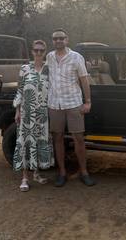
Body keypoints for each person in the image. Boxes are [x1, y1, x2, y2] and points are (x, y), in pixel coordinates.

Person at [47, 28, 96, 187]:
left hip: (74, 103)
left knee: (78, 139)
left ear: (67, 39)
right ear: (53, 41)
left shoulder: (76, 57)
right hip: (54, 104)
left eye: (61, 38)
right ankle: (62, 173)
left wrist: (87, 101)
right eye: (55, 39)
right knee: (58, 138)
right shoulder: (49, 57)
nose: (58, 41)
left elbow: (84, 80)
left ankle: (84, 172)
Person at [12, 40, 53, 191]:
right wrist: (17, 110)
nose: (38, 53)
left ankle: (36, 173)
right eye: (36, 50)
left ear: (45, 52)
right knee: (26, 142)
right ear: (32, 51)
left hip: (42, 113)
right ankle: (24, 177)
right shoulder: (24, 69)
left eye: (41, 50)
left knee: (39, 142)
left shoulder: (49, 69)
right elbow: (20, 91)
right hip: (27, 113)